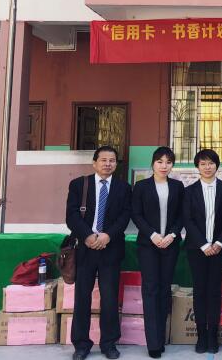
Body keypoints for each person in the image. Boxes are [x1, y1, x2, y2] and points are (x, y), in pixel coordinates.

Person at [66, 146, 132, 360]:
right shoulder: (79, 184)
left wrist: (107, 236)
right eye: (103, 160)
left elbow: (125, 216)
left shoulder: (124, 187)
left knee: (110, 298)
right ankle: (81, 344)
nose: (107, 164)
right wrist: (88, 236)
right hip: (85, 248)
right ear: (94, 162)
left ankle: (109, 343)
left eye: (112, 160)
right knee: (82, 297)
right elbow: (71, 215)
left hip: (110, 248)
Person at [131, 147, 185, 358]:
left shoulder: (178, 186)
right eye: (160, 161)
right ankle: (153, 343)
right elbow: (136, 214)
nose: (164, 166)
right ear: (153, 163)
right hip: (148, 245)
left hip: (170, 244)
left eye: (168, 162)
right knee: (151, 289)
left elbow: (182, 215)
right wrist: (152, 234)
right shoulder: (142, 186)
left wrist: (172, 234)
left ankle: (160, 337)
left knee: (164, 290)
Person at [183, 149, 222, 354]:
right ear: (197, 167)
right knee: (200, 292)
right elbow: (188, 220)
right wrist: (203, 244)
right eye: (203, 164)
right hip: (196, 249)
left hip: (219, 249)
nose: (207, 167)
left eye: (211, 163)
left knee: (214, 292)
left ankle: (213, 337)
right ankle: (201, 336)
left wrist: (219, 243)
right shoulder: (189, 191)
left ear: (217, 165)